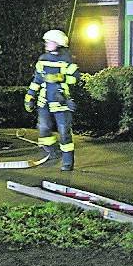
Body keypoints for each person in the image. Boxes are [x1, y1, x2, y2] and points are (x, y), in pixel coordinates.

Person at [25, 29, 79, 171]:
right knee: (43, 130)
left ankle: (67, 162)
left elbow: (75, 78)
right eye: (46, 42)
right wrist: (30, 96)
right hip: (44, 102)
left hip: (61, 103)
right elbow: (37, 79)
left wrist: (59, 78)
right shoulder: (43, 59)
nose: (47, 44)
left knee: (64, 133)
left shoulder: (67, 60)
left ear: (59, 43)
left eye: (50, 42)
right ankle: (54, 152)